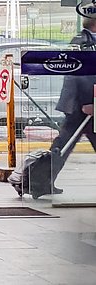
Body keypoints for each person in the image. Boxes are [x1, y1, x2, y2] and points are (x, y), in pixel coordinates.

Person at [49, 18, 96, 193]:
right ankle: (41, 180)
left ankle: (42, 180)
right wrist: (88, 104)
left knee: (63, 145)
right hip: (80, 107)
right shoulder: (81, 42)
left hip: (89, 106)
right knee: (62, 146)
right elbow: (79, 75)